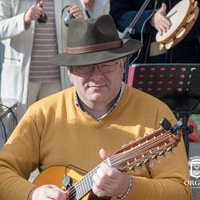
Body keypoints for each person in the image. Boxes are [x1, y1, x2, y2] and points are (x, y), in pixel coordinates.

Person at [0, 15, 191, 200]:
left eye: (106, 65)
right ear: (70, 71)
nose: (97, 76)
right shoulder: (42, 113)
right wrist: (33, 194)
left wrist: (128, 187)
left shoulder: (156, 113)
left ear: (121, 64)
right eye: (85, 67)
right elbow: (3, 171)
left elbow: (182, 192)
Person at [0, 0, 84, 121]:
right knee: (20, 130)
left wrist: (80, 22)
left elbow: (82, 30)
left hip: (57, 79)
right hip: (22, 80)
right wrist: (23, 19)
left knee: (56, 130)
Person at [109, 0, 200, 63]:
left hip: (185, 59)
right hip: (141, 60)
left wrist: (181, 29)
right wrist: (150, 18)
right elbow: (118, 16)